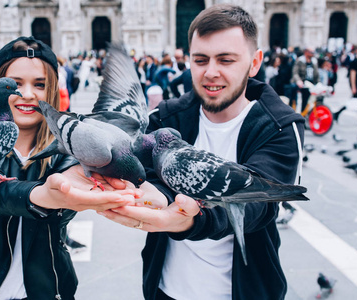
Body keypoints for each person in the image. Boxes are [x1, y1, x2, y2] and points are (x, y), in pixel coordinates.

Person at [0, 36, 157, 300]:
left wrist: (76, 195)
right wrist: (36, 195)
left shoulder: (69, 151)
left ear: (53, 91)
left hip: (47, 288)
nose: (27, 94)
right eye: (16, 84)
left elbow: (62, 214)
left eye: (40, 84)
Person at [99, 4, 305, 300]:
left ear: (255, 62)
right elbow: (145, 172)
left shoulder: (281, 127)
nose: (210, 72)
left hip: (244, 291)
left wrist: (192, 219)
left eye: (226, 60)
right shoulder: (166, 119)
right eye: (200, 60)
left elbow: (260, 206)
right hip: (166, 289)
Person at [334, 44, 357, 124]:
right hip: (355, 84)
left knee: (356, 101)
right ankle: (337, 113)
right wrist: (353, 86)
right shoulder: (354, 62)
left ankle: (337, 113)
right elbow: (352, 74)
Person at [291, 47, 319, 112]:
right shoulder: (300, 61)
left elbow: (317, 74)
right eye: (311, 52)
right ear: (306, 52)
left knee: (310, 100)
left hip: (311, 83)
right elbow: (295, 72)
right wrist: (298, 80)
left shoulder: (314, 61)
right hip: (302, 83)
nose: (312, 54)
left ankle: (306, 113)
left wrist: (318, 82)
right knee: (299, 98)